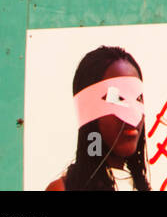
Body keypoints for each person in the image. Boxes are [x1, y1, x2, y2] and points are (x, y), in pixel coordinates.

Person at [46, 45, 150, 191]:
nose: (134, 116)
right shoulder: (65, 188)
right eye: (117, 98)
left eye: (138, 98)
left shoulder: (140, 185)